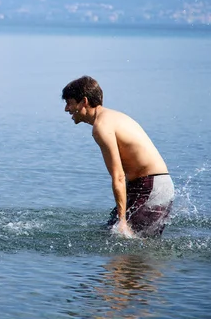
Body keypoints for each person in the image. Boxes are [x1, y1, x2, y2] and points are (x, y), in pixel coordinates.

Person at [62, 76, 174, 238]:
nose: (67, 109)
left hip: (150, 187)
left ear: (83, 101)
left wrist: (122, 220)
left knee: (127, 241)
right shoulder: (112, 117)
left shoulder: (101, 127)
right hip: (147, 186)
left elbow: (118, 175)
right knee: (111, 236)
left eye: (69, 102)